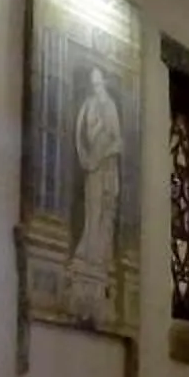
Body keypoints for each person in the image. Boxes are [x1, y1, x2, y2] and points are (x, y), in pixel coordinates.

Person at [70, 65, 124, 320]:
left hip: (105, 167)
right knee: (91, 211)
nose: (95, 86)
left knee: (103, 212)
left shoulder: (110, 106)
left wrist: (101, 157)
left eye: (98, 82)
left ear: (104, 81)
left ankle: (99, 257)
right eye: (92, 83)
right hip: (91, 164)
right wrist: (85, 155)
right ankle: (88, 254)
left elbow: (117, 141)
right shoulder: (88, 104)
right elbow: (80, 134)